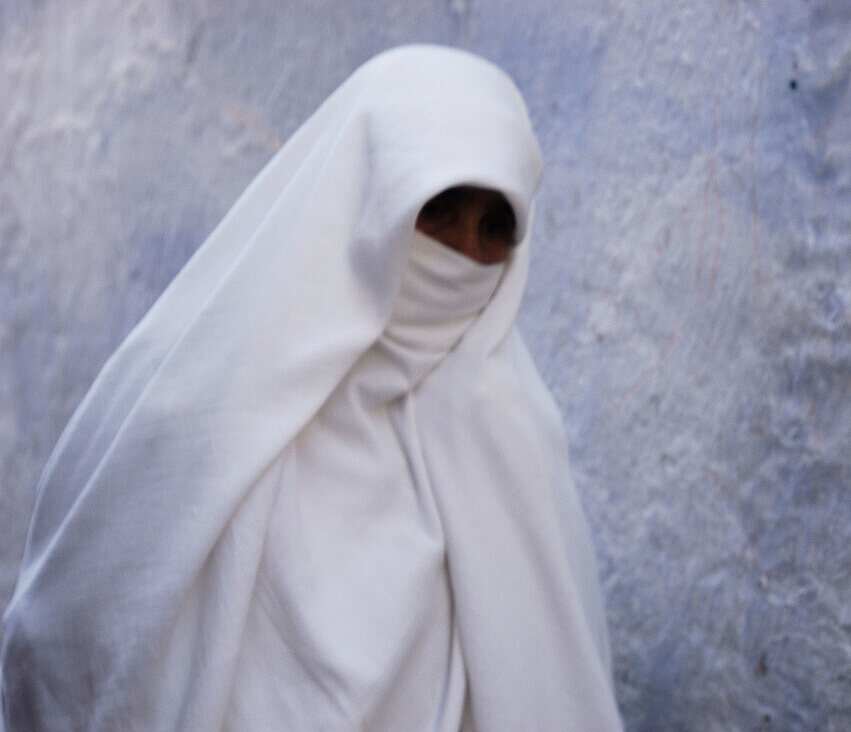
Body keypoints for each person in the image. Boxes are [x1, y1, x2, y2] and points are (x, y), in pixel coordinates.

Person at [1, 45, 622, 730]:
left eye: (494, 227)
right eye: (438, 210)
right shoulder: (194, 410)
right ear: (367, 195)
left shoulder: (516, 447)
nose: (465, 254)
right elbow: (69, 638)